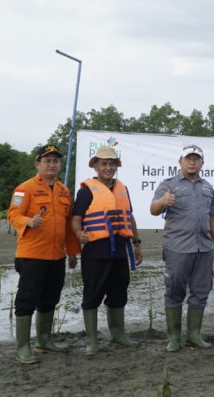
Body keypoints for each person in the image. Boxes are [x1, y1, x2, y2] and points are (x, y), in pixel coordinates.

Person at [7, 144, 81, 364]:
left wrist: (73, 252)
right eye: (47, 161)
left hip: (57, 256)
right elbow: (13, 214)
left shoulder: (64, 191)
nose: (52, 165)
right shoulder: (25, 188)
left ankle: (44, 341)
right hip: (32, 254)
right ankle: (23, 347)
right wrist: (28, 221)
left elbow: (69, 226)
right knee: (27, 299)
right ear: (37, 164)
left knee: (50, 298)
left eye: (55, 161)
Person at [150, 144, 214, 352]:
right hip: (178, 248)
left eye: (196, 159)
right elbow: (154, 209)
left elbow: (213, 219)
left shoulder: (208, 187)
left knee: (201, 292)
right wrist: (163, 201)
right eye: (188, 158)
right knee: (174, 291)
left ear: (202, 163)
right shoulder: (169, 184)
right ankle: (174, 337)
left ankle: (193, 335)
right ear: (180, 161)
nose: (192, 162)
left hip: (203, 248)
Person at [71, 146, 143, 356]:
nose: (108, 167)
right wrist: (79, 234)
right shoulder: (86, 191)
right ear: (96, 165)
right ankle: (92, 341)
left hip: (120, 250)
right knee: (92, 294)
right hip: (95, 251)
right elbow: (76, 219)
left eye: (112, 164)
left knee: (119, 293)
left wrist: (137, 243)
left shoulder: (122, 188)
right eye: (104, 163)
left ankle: (118, 335)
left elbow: (129, 217)